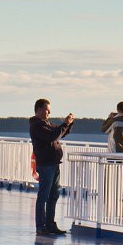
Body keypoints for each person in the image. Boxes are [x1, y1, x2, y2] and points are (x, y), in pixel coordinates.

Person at [29, 98, 74, 235]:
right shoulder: (37, 125)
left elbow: (61, 133)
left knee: (53, 194)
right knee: (44, 195)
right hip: (46, 165)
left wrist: (69, 124)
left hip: (53, 165)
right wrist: (64, 124)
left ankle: (50, 224)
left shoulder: (46, 124)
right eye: (47, 110)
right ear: (40, 109)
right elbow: (52, 135)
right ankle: (40, 226)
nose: (49, 112)